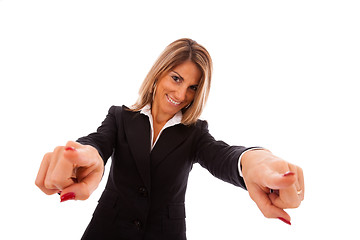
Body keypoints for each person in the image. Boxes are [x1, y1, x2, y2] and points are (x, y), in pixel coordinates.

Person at [35, 38, 304, 240]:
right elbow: (98, 142)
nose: (181, 93)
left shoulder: (194, 133)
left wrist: (252, 159)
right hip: (107, 231)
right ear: (159, 73)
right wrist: (83, 153)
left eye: (192, 88)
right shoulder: (120, 117)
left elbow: (223, 156)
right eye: (176, 78)